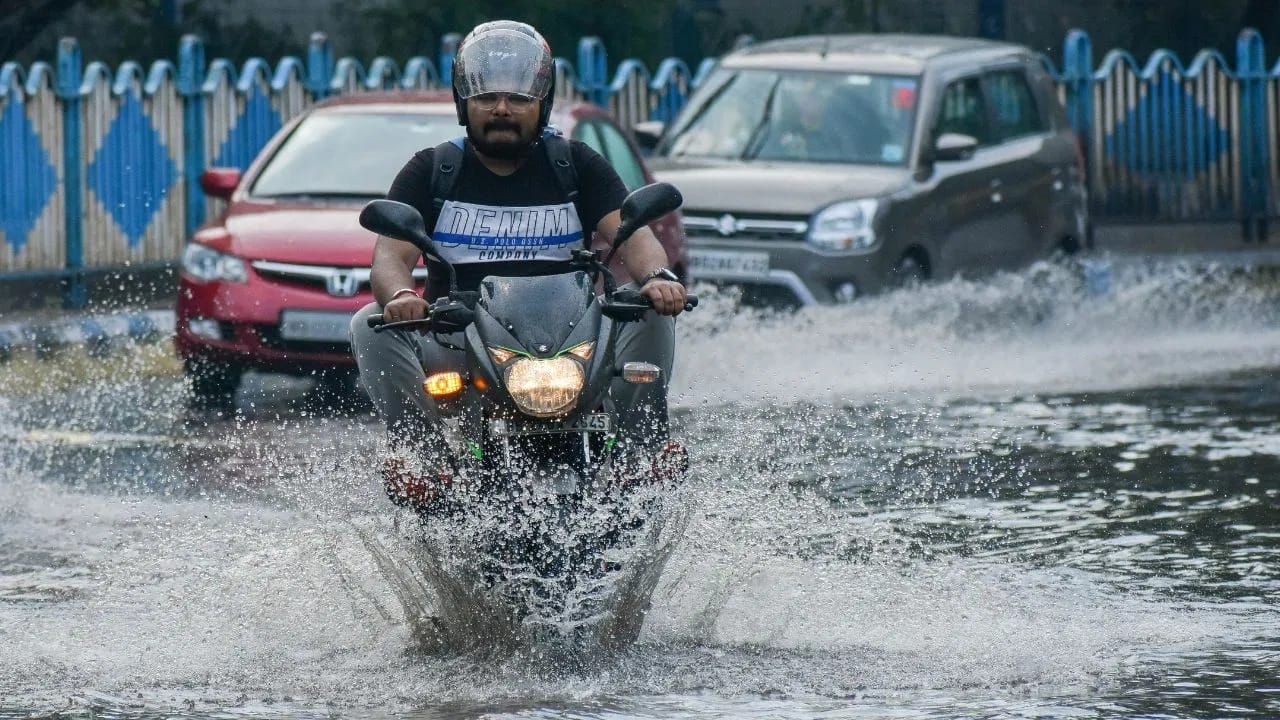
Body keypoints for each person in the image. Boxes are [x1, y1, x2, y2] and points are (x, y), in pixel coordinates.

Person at [348, 20, 688, 510]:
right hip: (460, 345)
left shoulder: (575, 165)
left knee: (649, 311)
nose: (502, 109)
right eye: (487, 98)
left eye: (518, 99)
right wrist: (401, 297)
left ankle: (640, 457)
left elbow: (632, 235)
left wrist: (658, 278)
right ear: (464, 103)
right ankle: (423, 460)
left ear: (542, 104)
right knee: (368, 325)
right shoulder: (432, 170)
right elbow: (391, 257)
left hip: (576, 347)